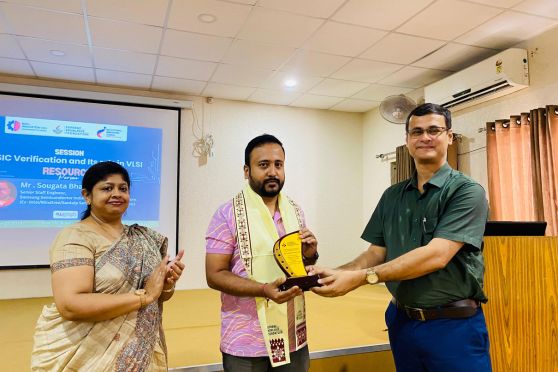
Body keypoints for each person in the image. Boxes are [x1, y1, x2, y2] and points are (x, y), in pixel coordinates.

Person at [308, 103, 492, 371]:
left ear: (449, 137)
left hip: (453, 326)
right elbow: (375, 252)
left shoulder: (466, 192)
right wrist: (337, 273)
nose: (425, 137)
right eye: (416, 132)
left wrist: (362, 278)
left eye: (434, 130)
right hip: (401, 321)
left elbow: (437, 255)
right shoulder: (392, 196)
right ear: (407, 140)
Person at [31, 161, 185, 371]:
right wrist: (144, 297)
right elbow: (70, 304)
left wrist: (166, 284)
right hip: (87, 356)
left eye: (123, 188)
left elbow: (157, 296)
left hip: (140, 354)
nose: (117, 194)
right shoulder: (75, 236)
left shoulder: (144, 237)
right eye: (107, 188)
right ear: (87, 196)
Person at [205, 134, 319, 371]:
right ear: (247, 171)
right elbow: (214, 274)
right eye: (263, 165)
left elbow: (298, 267)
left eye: (278, 165)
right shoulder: (226, 214)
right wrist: (263, 290)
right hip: (245, 340)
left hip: (292, 336)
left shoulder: (295, 211)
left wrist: (310, 255)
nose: (272, 172)